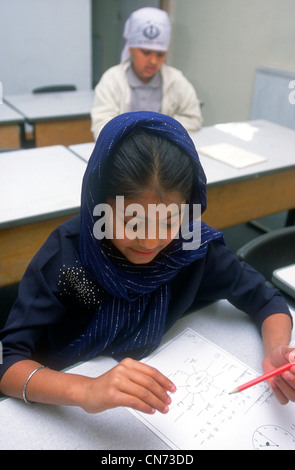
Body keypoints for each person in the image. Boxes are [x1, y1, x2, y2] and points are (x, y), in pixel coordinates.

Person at [0, 111, 294, 416]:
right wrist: (85, 389)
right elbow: (7, 363)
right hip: (61, 406)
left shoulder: (190, 244)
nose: (151, 242)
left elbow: (266, 300)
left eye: (169, 221)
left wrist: (276, 351)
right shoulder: (67, 257)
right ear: (98, 204)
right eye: (132, 222)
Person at [90, 7, 203, 140]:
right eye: (146, 53)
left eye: (160, 54)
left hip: (163, 149)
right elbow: (101, 125)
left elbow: (193, 118)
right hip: (124, 151)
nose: (153, 61)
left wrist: (160, 131)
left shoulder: (175, 80)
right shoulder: (112, 80)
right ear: (131, 49)